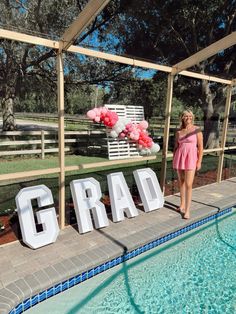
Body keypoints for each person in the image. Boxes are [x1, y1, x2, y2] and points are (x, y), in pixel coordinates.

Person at [173, 109, 203, 219]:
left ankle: (187, 210)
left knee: (189, 184)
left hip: (191, 158)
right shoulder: (178, 132)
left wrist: (199, 161)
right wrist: (173, 159)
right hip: (179, 158)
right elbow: (176, 147)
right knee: (181, 182)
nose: (188, 118)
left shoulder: (197, 130)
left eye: (190, 116)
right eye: (186, 116)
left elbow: (200, 147)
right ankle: (182, 204)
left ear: (193, 118)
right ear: (182, 117)